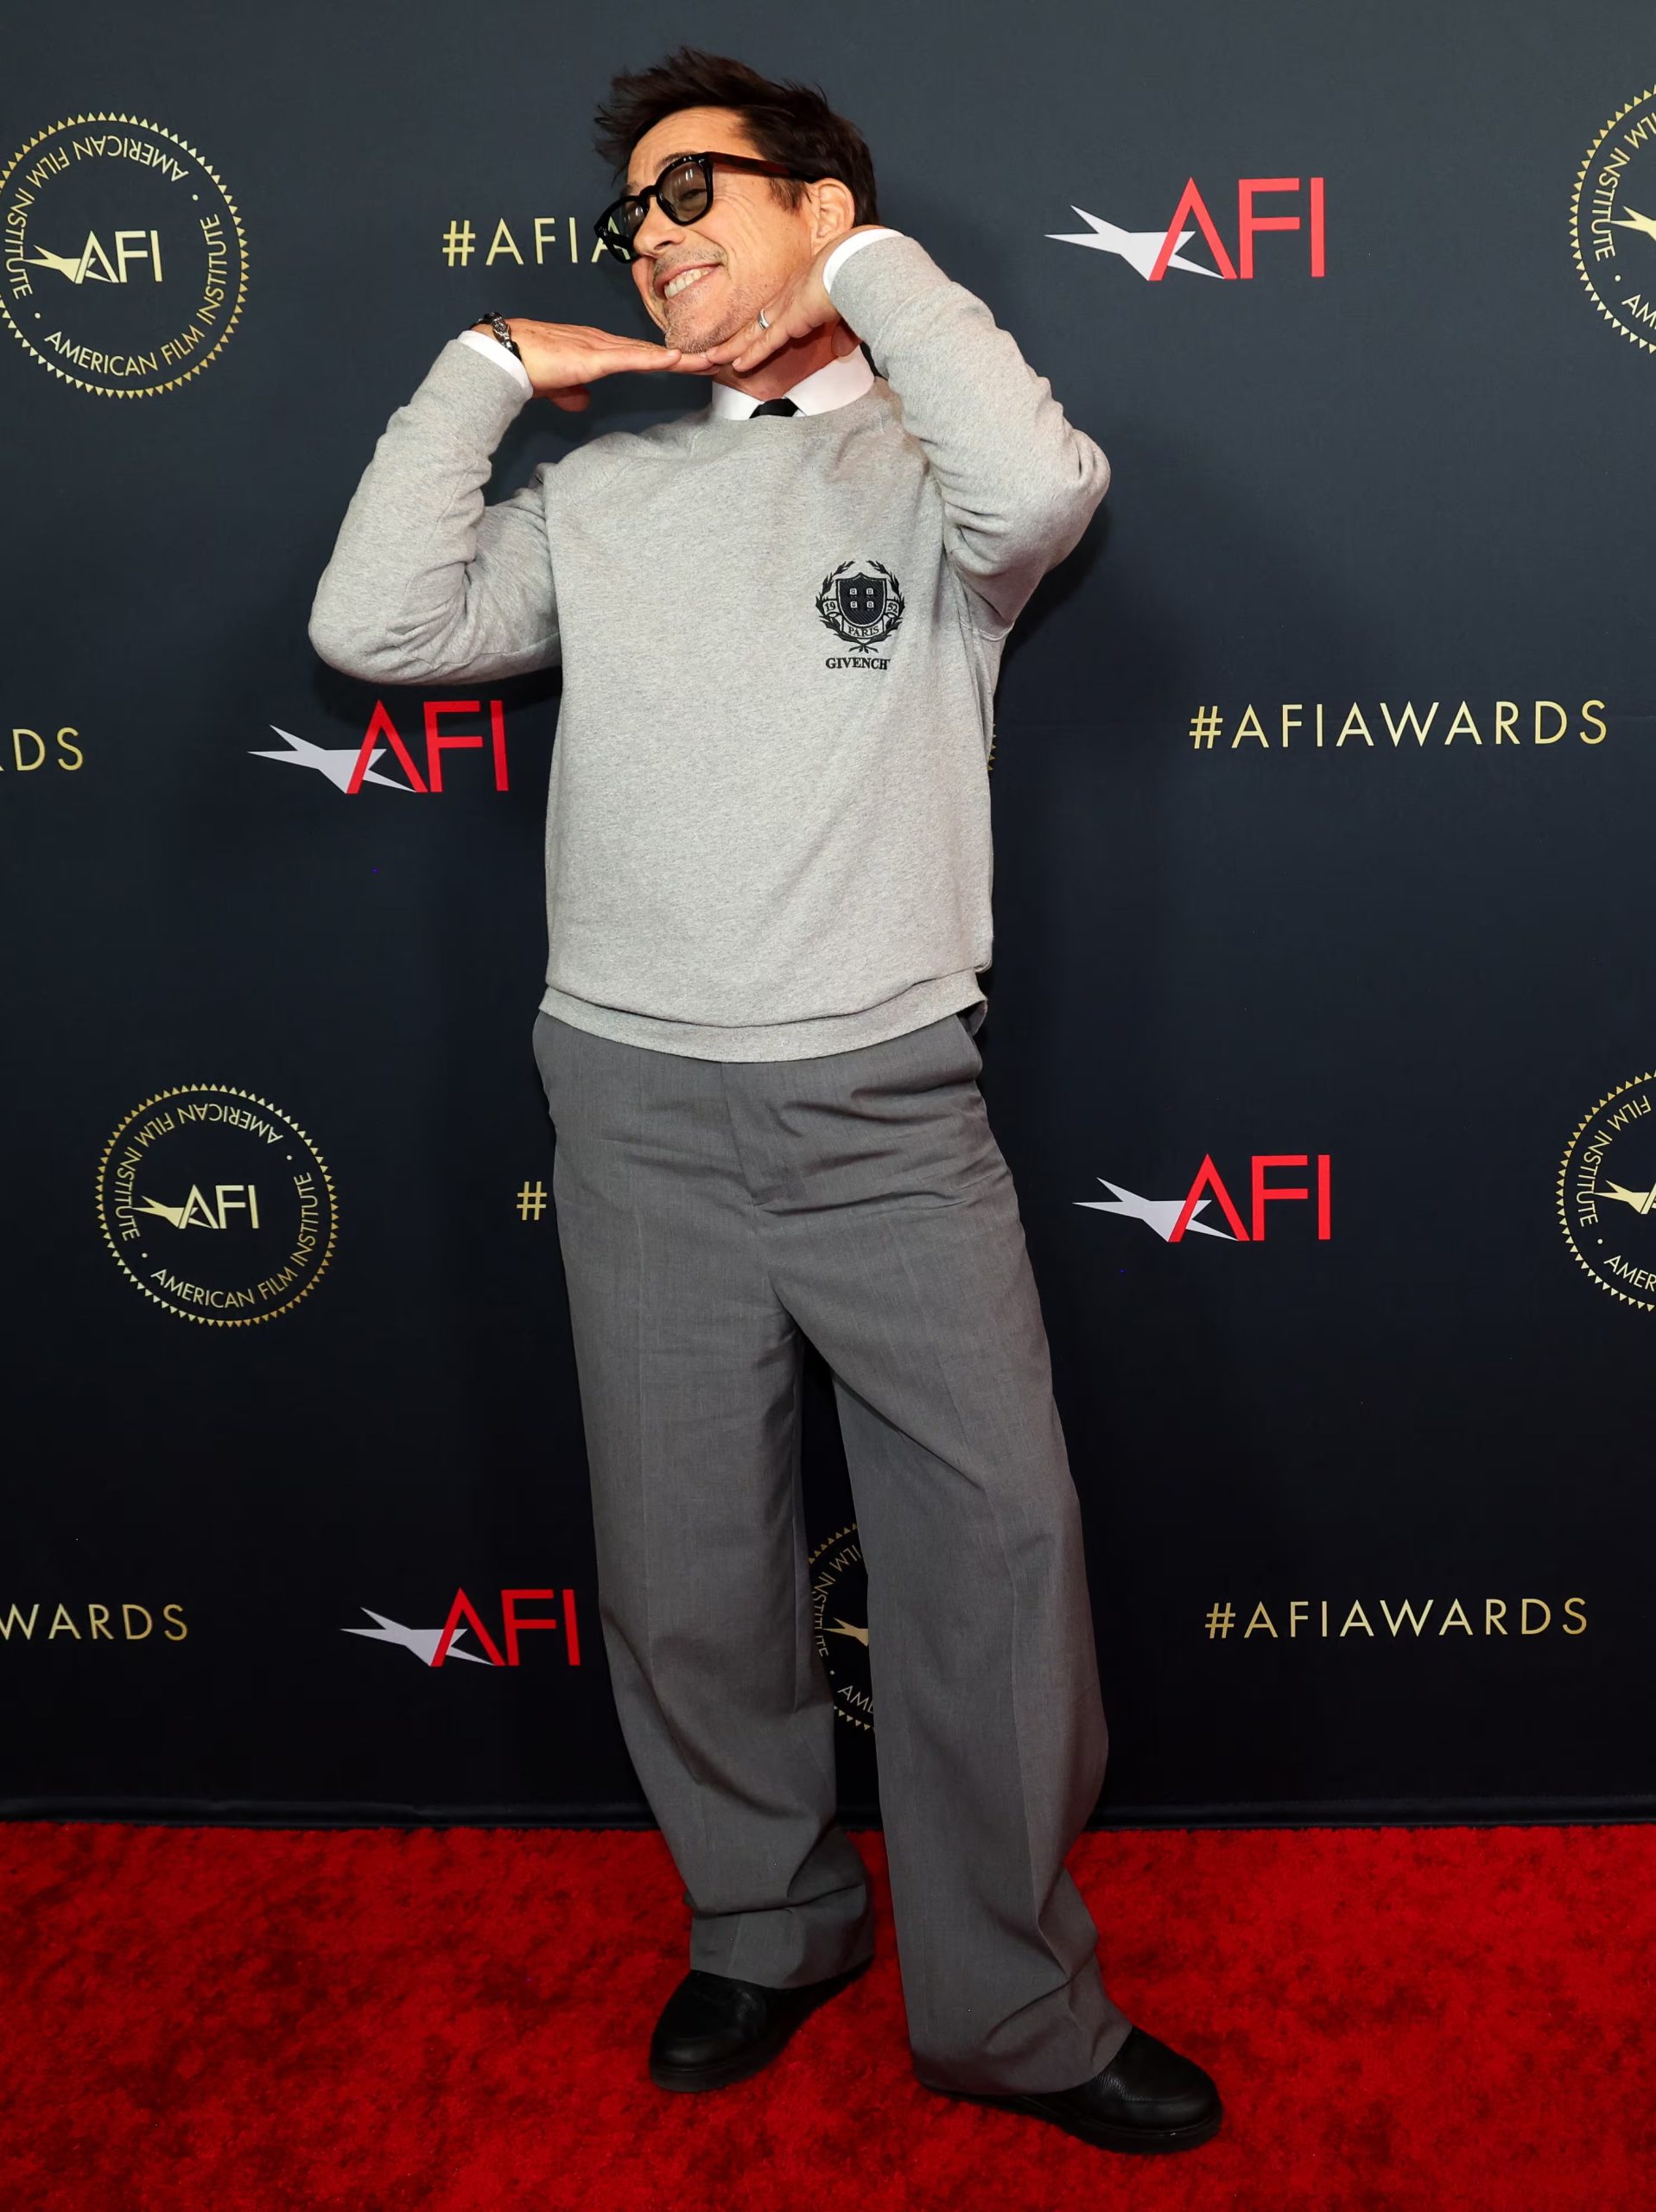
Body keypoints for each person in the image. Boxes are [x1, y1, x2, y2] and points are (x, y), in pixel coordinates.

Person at [308, 43, 1222, 2160]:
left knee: (993, 1558)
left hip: (886, 1109)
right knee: (686, 1563)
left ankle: (1008, 2004)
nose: (649, 229)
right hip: (630, 1107)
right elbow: (376, 624)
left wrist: (856, 258)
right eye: (630, 204)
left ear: (821, 201)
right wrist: (481, 373)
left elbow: (1047, 484)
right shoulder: (607, 489)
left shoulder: (930, 467)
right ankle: (766, 1917)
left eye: (693, 186)